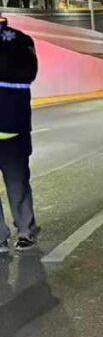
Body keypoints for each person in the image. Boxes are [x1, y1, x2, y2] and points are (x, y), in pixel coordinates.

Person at [0, 13, 40, 253]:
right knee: (18, 184)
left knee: (18, 185)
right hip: (14, 125)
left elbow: (27, 73)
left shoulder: (19, 41)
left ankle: (25, 231)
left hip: (12, 128)